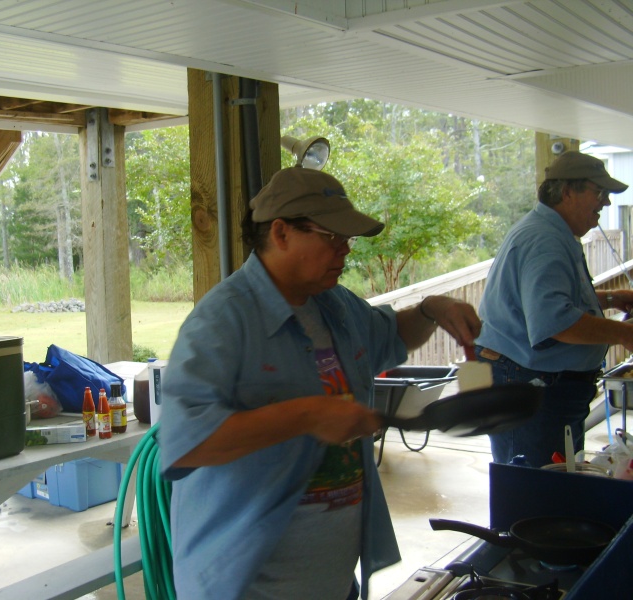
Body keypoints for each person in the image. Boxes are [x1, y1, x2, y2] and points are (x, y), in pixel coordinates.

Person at [158, 166, 481, 600]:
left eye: (347, 239)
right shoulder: (222, 321)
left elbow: (390, 336)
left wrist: (430, 311)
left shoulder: (333, 304)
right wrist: (309, 414)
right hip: (250, 583)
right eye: (332, 237)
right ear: (281, 232)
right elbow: (188, 443)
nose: (345, 251)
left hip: (332, 580)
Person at [474, 150, 631, 468]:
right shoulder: (544, 240)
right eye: (599, 193)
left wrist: (613, 300)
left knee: (551, 490)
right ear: (567, 191)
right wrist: (626, 333)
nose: (606, 203)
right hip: (531, 388)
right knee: (534, 494)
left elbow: (547, 302)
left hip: (541, 387)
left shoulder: (553, 233)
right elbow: (554, 320)